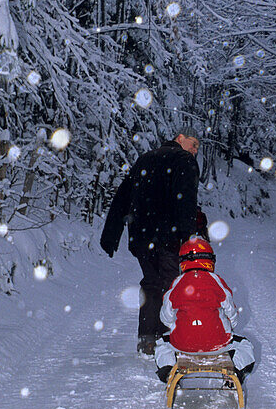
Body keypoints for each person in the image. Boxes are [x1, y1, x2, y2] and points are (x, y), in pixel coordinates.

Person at [100, 130, 204, 355]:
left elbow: (123, 196)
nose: (195, 150)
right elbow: (185, 198)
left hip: (141, 236)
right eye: (193, 144)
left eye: (197, 147)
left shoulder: (145, 158)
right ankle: (170, 339)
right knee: (172, 285)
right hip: (168, 234)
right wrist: (189, 238)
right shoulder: (184, 160)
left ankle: (148, 339)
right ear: (180, 138)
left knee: (151, 283)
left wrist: (111, 235)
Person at [154, 237, 255, 383]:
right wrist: (228, 326)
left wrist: (181, 326)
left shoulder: (177, 283)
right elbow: (231, 313)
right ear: (210, 260)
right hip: (218, 343)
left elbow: (165, 317)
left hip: (183, 344)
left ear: (182, 261)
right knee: (245, 345)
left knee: (162, 344)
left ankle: (168, 371)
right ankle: (236, 372)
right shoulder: (216, 281)